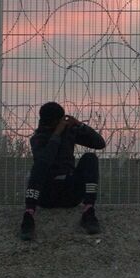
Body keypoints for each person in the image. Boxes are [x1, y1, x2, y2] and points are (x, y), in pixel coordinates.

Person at [19, 101, 106, 240]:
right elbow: (45, 160)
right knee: (38, 165)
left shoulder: (69, 133)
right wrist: (56, 134)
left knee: (90, 158)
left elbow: (100, 144)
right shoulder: (38, 138)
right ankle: (28, 216)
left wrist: (79, 124)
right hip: (46, 195)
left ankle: (88, 212)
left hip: (69, 193)